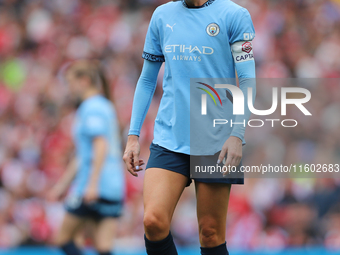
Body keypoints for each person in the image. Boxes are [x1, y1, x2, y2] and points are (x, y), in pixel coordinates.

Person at [123, 0, 256, 254]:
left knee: (210, 233)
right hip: (169, 137)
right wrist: (133, 135)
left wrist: (237, 134)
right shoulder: (162, 16)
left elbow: (248, 79)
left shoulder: (234, 15)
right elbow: (147, 79)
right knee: (153, 222)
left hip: (215, 140)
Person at [48, 60, 126, 255]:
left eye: (70, 82)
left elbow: (100, 146)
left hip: (94, 186)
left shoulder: (91, 107)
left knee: (63, 238)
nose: (69, 88)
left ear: (83, 81)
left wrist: (92, 184)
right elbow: (84, 154)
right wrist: (62, 185)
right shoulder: (106, 106)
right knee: (103, 247)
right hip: (113, 185)